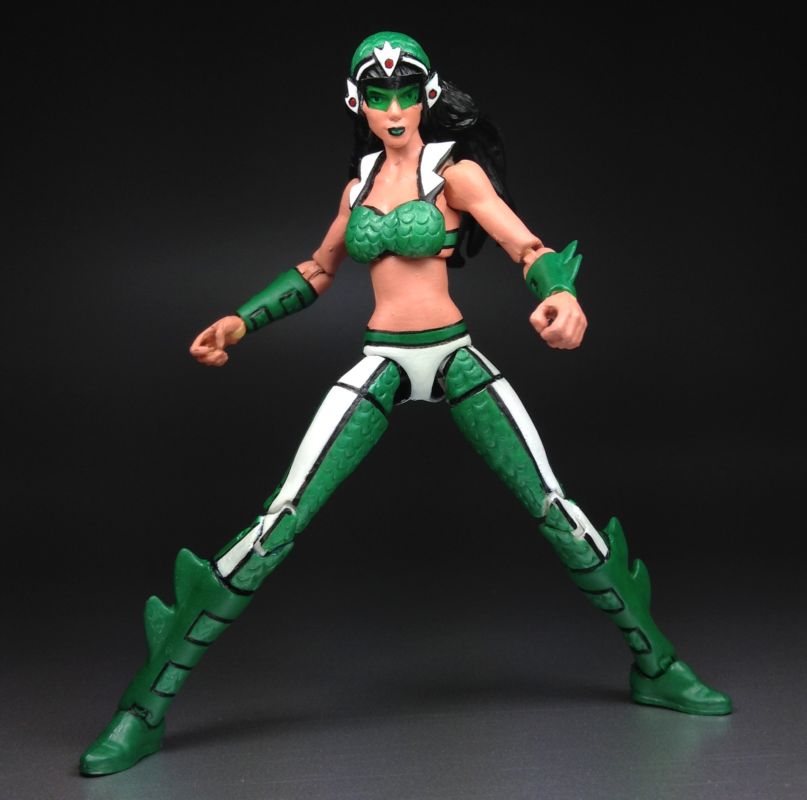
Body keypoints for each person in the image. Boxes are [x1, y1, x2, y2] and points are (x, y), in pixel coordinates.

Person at [79, 31, 732, 777]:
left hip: (454, 356)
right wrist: (241, 321)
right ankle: (144, 707)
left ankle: (657, 665)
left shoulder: (454, 174)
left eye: (405, 93)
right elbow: (317, 270)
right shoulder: (356, 187)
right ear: (355, 101)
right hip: (382, 361)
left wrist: (562, 293)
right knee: (278, 519)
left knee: (553, 506)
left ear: (427, 95)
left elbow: (525, 246)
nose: (393, 109)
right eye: (377, 95)